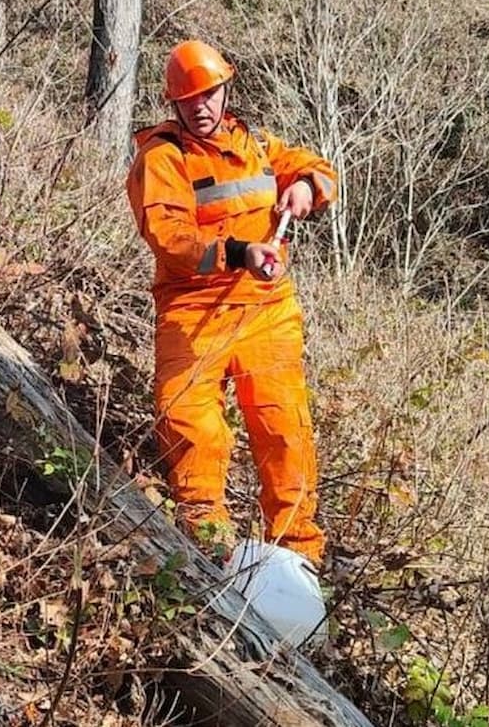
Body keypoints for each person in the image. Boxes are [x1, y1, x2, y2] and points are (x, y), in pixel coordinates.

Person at [125, 39, 336, 567]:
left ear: (225, 91)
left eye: (210, 93)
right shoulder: (161, 158)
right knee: (193, 430)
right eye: (189, 98)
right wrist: (239, 252)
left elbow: (317, 167)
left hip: (266, 311)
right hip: (192, 313)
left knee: (284, 431)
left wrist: (307, 187)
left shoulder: (258, 144)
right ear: (173, 103)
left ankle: (300, 563)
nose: (201, 106)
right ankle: (211, 560)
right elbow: (171, 240)